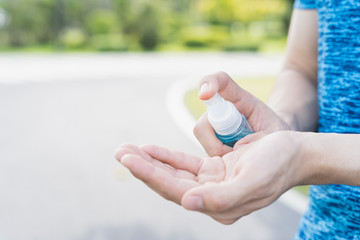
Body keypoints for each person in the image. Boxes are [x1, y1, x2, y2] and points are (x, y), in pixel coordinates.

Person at [115, 0, 360, 238]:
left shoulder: (303, 155)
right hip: (322, 229)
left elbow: (304, 153)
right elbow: (302, 70)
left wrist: (307, 156)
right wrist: (283, 124)